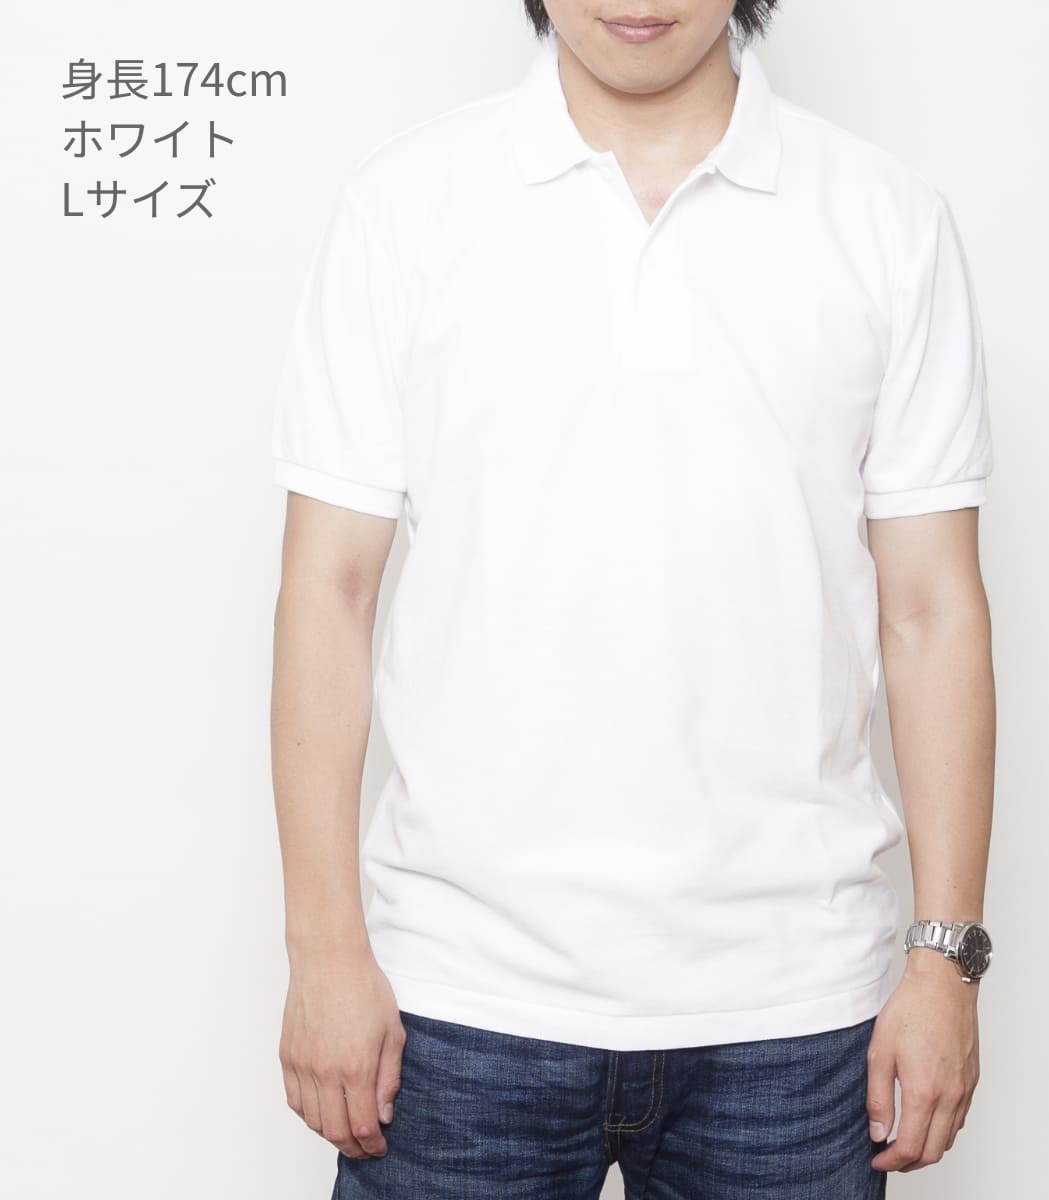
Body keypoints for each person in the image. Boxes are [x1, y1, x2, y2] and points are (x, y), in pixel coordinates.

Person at [269, 2, 997, 1196]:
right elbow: (327, 593)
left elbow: (933, 614)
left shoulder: (883, 218)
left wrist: (945, 962)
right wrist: (323, 950)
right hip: (456, 1000)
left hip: (796, 1012)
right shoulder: (407, 205)